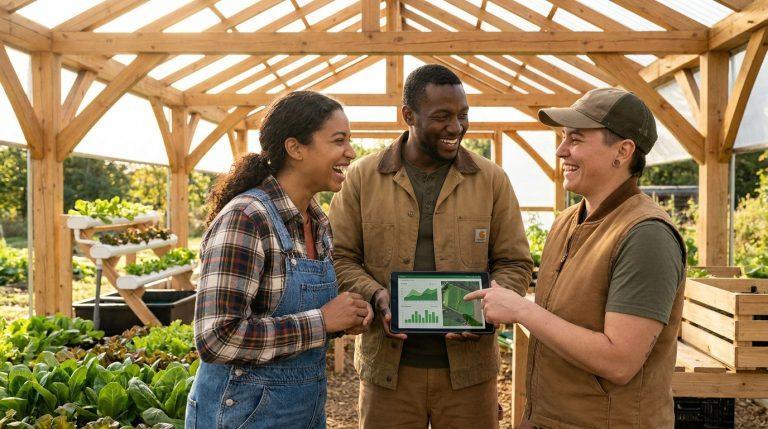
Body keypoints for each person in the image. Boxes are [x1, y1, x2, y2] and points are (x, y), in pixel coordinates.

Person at [465, 88, 687, 428]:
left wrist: (522, 310)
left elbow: (619, 360)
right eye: (564, 138)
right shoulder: (566, 221)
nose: (561, 150)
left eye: (577, 139)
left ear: (623, 151)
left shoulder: (646, 235)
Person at [329, 64, 533, 429]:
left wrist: (490, 306)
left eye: (463, 115)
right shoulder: (362, 177)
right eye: (442, 116)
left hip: (469, 374)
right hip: (388, 371)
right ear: (408, 115)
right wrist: (377, 295)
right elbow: (341, 257)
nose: (456, 127)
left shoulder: (491, 180)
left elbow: (515, 261)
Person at [186, 91, 373, 429]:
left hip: (303, 409)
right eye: (339, 140)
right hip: (242, 413)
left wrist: (344, 319)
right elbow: (217, 337)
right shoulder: (247, 218)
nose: (351, 152)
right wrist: (323, 321)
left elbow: (297, 316)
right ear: (295, 148)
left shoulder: (316, 222)